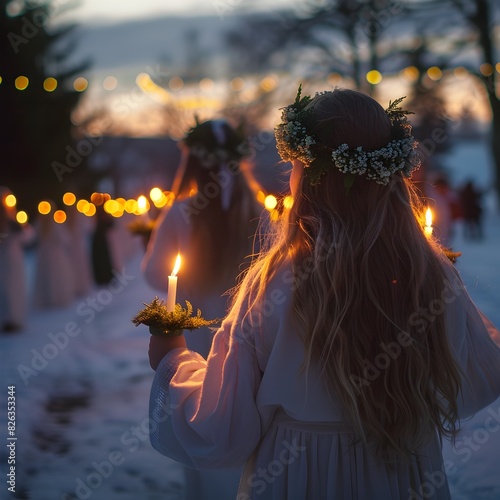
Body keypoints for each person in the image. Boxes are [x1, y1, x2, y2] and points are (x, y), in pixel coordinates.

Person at [147, 88, 500, 499]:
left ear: (306, 174)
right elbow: (477, 378)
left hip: (299, 473)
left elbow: (222, 429)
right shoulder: (431, 273)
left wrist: (173, 361)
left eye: (294, 165)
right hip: (402, 473)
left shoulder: (275, 283)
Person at [142, 119, 261, 499]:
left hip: (195, 336)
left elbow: (155, 273)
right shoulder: (261, 211)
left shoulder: (181, 213)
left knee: (201, 416)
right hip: (251, 333)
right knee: (245, 419)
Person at [0, 187, 32, 332]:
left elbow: (28, 238)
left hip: (14, 260)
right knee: (6, 289)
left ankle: (14, 318)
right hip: (6, 260)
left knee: (14, 289)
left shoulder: (13, 219)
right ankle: (8, 319)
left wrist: (22, 227)